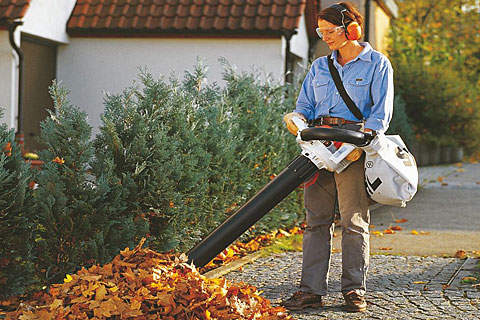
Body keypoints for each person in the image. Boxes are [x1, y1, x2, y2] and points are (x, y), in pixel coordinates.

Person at [281, 2, 394, 313]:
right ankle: (310, 292)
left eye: (330, 31)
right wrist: (295, 119)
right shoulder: (319, 67)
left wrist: (362, 143)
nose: (325, 37)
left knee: (354, 222)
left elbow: (380, 114)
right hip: (318, 149)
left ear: (351, 30)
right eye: (321, 31)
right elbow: (303, 107)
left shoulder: (377, 65)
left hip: (353, 148)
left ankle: (354, 291)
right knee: (315, 222)